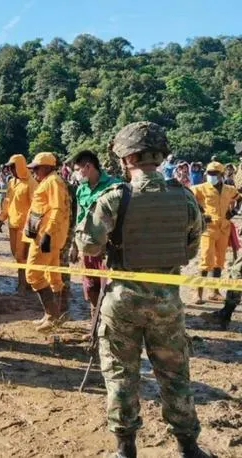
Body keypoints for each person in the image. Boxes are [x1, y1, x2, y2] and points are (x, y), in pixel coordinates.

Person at [75, 121, 212, 458]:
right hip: (166, 300)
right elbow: (192, 249)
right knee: (175, 373)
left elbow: (90, 247)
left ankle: (125, 449)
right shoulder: (184, 197)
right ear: (160, 156)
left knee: (121, 374)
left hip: (122, 299)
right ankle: (188, 447)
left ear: (127, 158)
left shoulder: (114, 198)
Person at [68, 150, 119, 318]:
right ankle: (94, 326)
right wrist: (74, 245)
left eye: (77, 169)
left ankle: (106, 325)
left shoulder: (114, 186)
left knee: (108, 290)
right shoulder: (81, 190)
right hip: (87, 248)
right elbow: (79, 218)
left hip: (108, 250)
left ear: (88, 167)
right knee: (90, 288)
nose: (75, 174)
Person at [24, 152, 71, 332]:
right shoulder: (51, 181)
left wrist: (48, 234)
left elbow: (57, 210)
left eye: (36, 168)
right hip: (48, 235)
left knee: (33, 275)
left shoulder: (52, 182)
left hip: (47, 237)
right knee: (53, 276)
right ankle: (54, 316)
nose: (33, 171)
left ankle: (52, 316)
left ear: (46, 167)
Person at [191, 161, 240, 304]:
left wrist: (234, 212)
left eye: (214, 174)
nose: (211, 176)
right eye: (209, 173)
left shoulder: (229, 189)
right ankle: (198, 293)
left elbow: (239, 198)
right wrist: (200, 213)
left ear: (221, 175)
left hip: (224, 228)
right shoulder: (200, 188)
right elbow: (189, 198)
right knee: (206, 259)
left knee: (220, 260)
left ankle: (215, 292)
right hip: (208, 227)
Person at [0, 154, 37, 294]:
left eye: (13, 167)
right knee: (16, 255)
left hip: (24, 227)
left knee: (22, 256)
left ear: (20, 166)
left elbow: (35, 206)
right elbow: (7, 202)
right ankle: (24, 282)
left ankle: (24, 284)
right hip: (12, 224)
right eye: (10, 168)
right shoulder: (11, 182)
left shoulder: (31, 183)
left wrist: (32, 226)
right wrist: (2, 218)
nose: (11, 170)